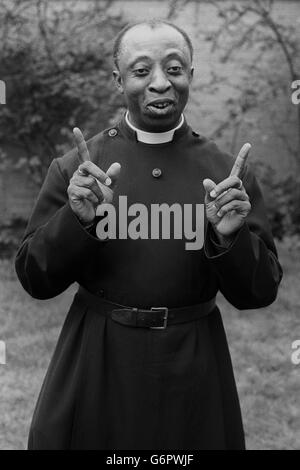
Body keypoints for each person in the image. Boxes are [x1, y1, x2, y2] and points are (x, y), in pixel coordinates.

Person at [15, 19, 283, 450]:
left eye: (174, 68)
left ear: (191, 76)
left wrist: (230, 238)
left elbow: (260, 292)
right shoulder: (79, 171)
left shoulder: (225, 176)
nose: (160, 82)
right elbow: (35, 279)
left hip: (195, 360)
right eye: (142, 71)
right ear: (118, 80)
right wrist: (76, 218)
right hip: (98, 356)